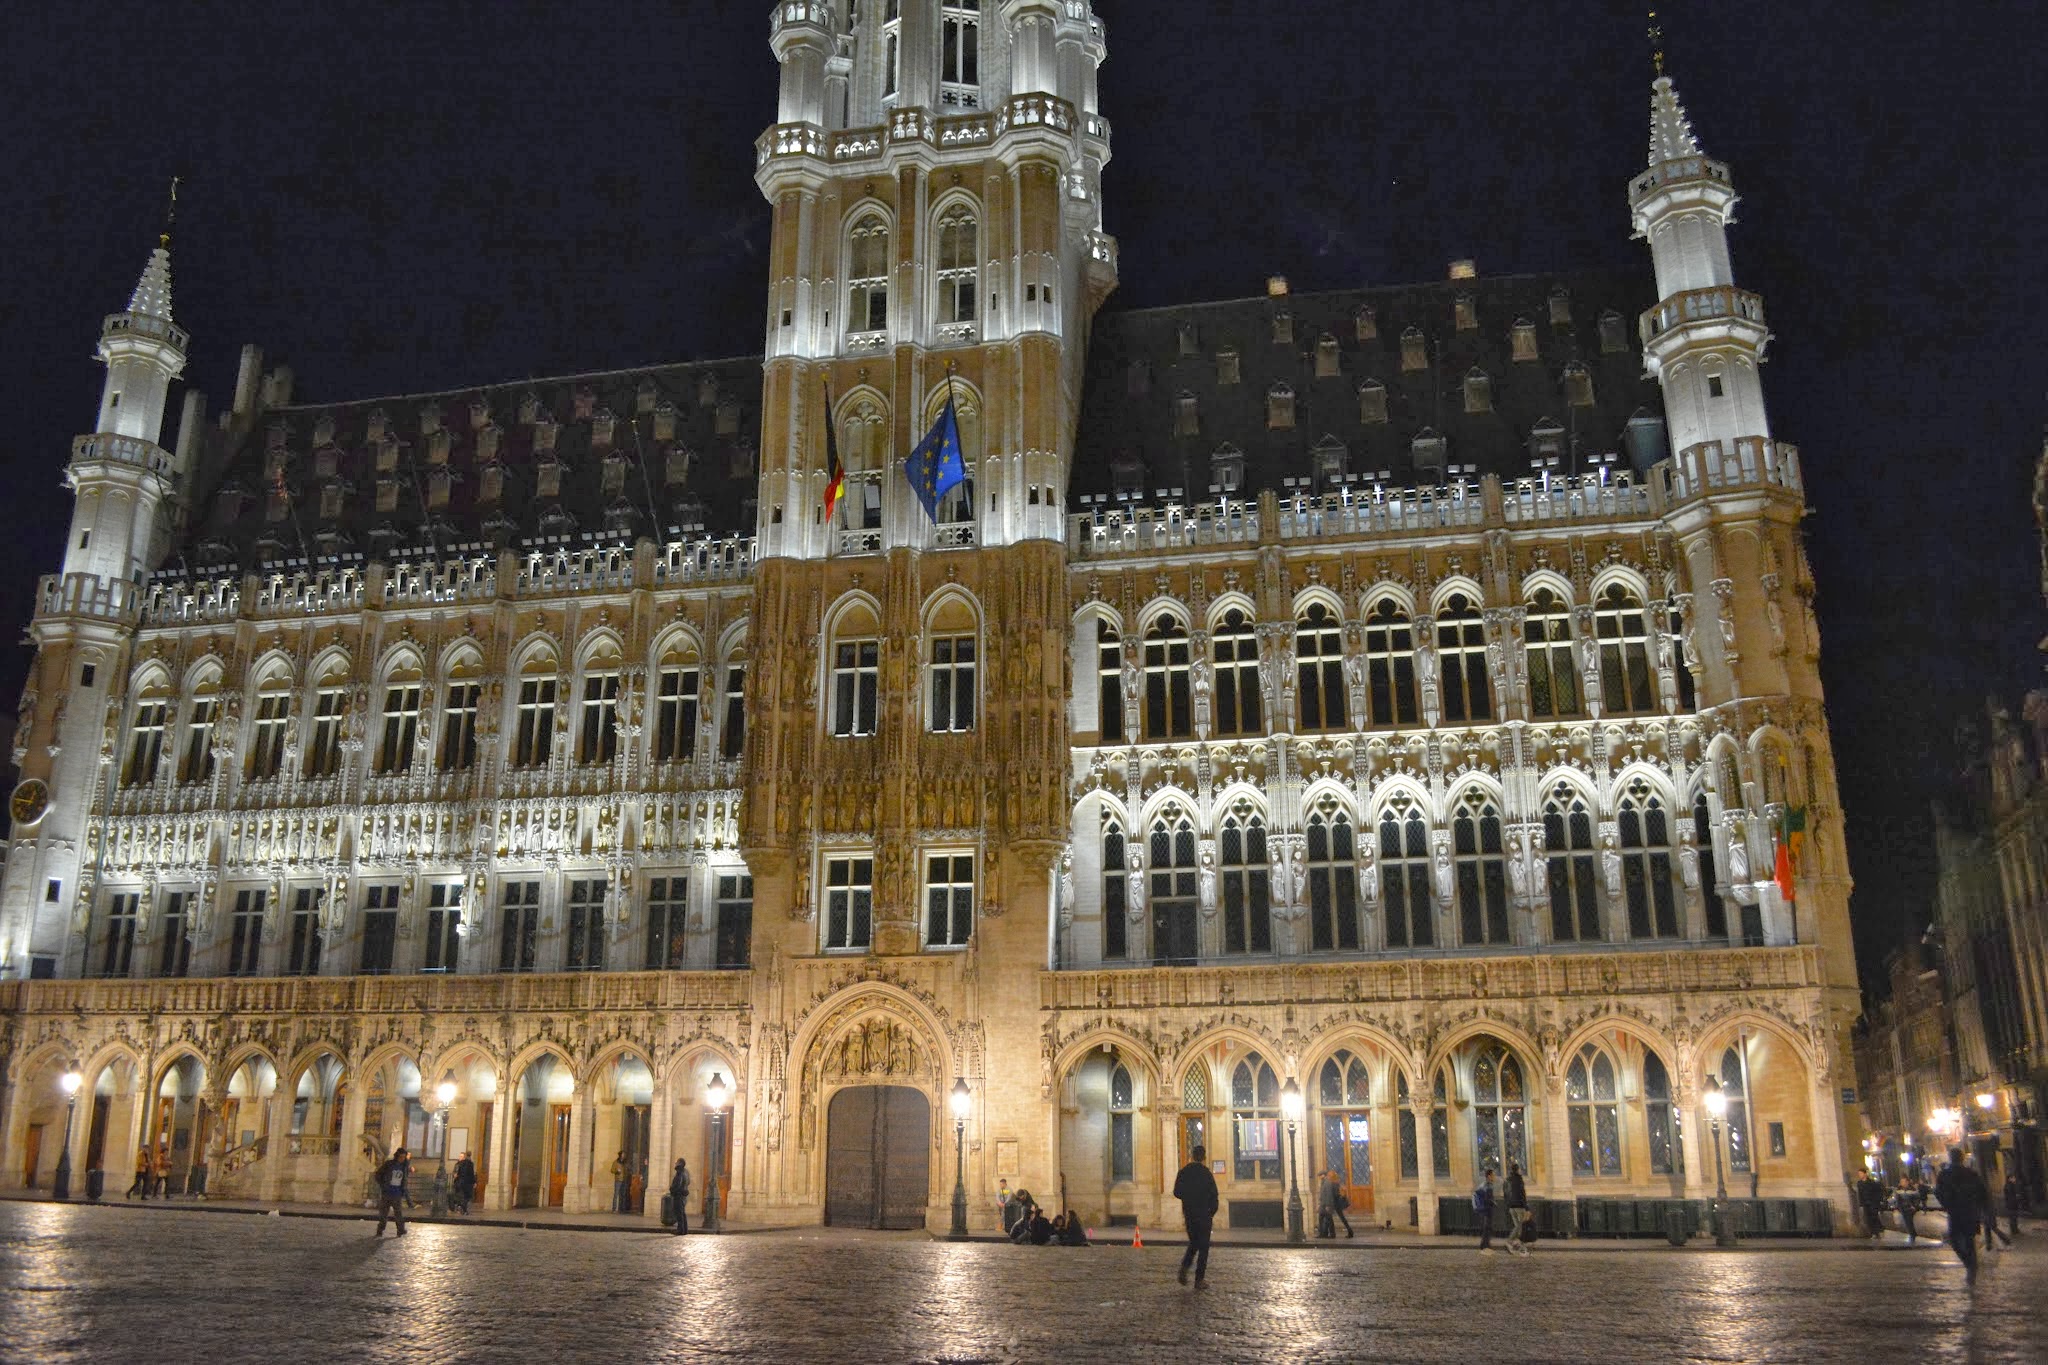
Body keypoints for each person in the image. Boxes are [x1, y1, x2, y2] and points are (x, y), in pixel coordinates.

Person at [1934, 1146, 1990, 1284]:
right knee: (1969, 1241)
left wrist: (1947, 1204)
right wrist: (1981, 1208)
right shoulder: (1971, 1173)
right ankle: (1972, 1266)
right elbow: (1983, 1192)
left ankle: (1969, 1264)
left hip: (1955, 1213)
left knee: (1954, 1240)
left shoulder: (1944, 1174)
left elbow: (1938, 1192)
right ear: (1962, 1158)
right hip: (1970, 1212)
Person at [1172, 1144, 1220, 1288]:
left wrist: (1188, 1199)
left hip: (1189, 1213)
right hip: (1204, 1215)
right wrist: (1211, 1212)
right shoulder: (1206, 1173)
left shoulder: (1184, 1172)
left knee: (1194, 1243)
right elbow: (1214, 1196)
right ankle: (1199, 1280)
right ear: (1203, 1157)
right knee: (1203, 1247)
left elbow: (1177, 1192)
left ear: (1192, 1156)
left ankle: (1184, 1268)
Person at [374, 1147, 410, 1237]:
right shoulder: (389, 1164)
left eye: (403, 1157)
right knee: (384, 1213)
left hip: (397, 1193)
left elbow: (404, 1179)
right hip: (387, 1192)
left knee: (398, 1213)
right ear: (397, 1156)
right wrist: (383, 1185)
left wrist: (403, 1190)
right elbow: (378, 1174)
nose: (402, 1159)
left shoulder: (404, 1167)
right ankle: (380, 1230)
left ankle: (400, 1230)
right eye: (400, 1157)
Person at [1503, 1161, 1532, 1256]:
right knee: (1520, 1227)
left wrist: (1508, 1204)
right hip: (1519, 1206)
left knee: (1519, 1228)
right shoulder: (1519, 1179)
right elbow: (1522, 1194)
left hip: (1511, 1207)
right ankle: (1510, 1241)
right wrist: (1527, 1208)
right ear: (1517, 1170)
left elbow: (1505, 1194)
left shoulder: (1507, 1180)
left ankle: (1522, 1249)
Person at [1318, 1169, 1354, 1239]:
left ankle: (1330, 1234)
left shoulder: (1330, 1182)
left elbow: (1330, 1194)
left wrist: (1328, 1205)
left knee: (1329, 1218)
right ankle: (1349, 1231)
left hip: (1335, 1203)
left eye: (1328, 1175)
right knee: (1338, 1218)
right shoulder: (1335, 1182)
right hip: (1336, 1202)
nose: (1328, 1176)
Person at [1473, 1166, 1498, 1254]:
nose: (1495, 1177)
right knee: (1487, 1228)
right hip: (1487, 1210)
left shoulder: (1484, 1184)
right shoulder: (1488, 1185)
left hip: (1484, 1209)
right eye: (1493, 1175)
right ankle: (1485, 1246)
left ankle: (1485, 1245)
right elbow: (1488, 1198)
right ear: (1489, 1176)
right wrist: (1492, 1202)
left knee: (1486, 1228)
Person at [1856, 1170, 1887, 1239]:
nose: (1860, 1175)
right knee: (1868, 1219)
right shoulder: (1859, 1183)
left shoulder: (1872, 1182)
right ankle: (1874, 1232)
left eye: (1861, 1173)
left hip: (1873, 1203)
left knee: (1874, 1217)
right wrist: (1861, 1203)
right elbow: (1860, 1194)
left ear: (1865, 1174)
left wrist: (1878, 1201)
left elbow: (1878, 1192)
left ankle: (1877, 1231)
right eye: (1859, 1174)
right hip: (1865, 1203)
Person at [668, 1158, 691, 1235]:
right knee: (682, 1213)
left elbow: (677, 1183)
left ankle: (680, 1230)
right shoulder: (686, 1172)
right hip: (683, 1194)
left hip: (678, 1195)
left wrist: (672, 1190)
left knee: (679, 1213)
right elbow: (688, 1182)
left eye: (677, 1162)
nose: (675, 1163)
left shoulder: (679, 1172)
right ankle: (684, 1230)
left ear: (679, 1163)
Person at [2004, 1174, 2024, 1240]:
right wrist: (2017, 1196)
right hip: (2012, 1204)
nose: (2014, 1179)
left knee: (2012, 1217)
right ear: (2010, 1178)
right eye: (2013, 1178)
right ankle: (2014, 1231)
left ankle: (2014, 1230)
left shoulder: (2007, 1185)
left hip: (2009, 1204)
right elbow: (2011, 1195)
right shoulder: (2010, 1185)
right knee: (2013, 1217)